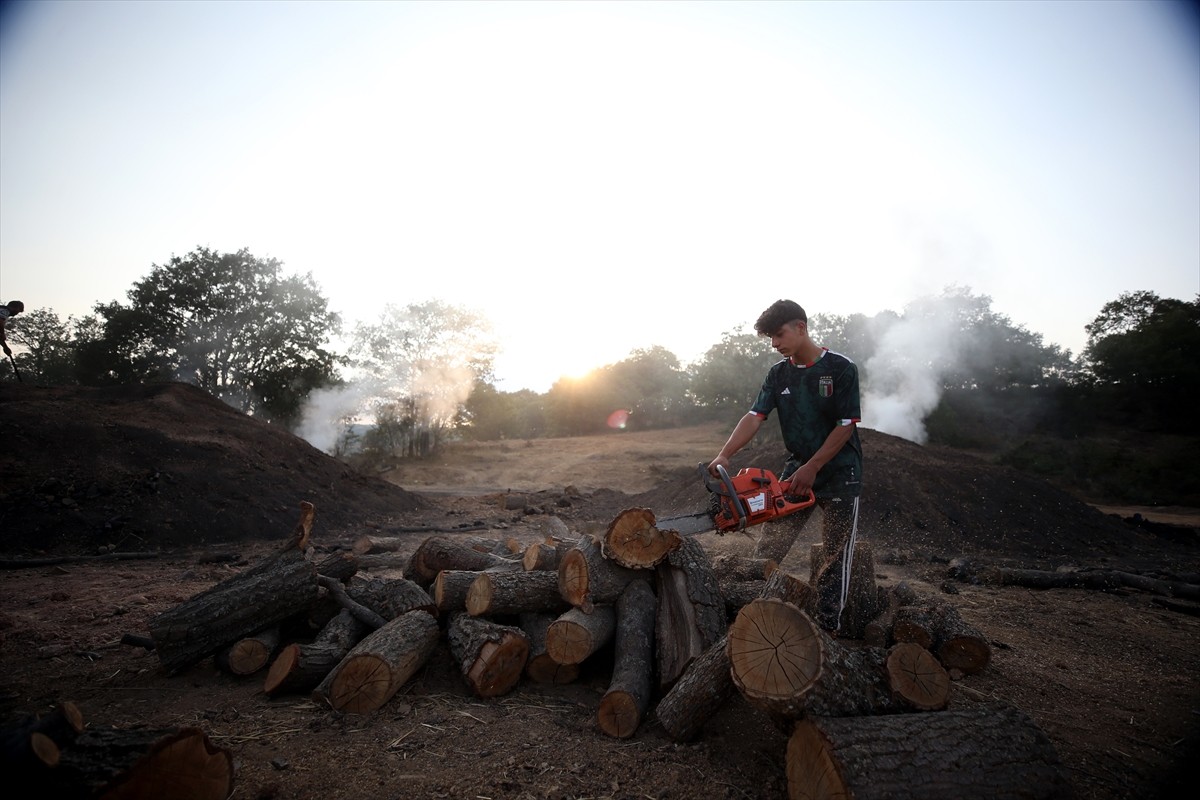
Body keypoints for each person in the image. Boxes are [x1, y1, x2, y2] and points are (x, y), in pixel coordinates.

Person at [707, 299, 862, 633]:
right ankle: (750, 615)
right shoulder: (778, 374)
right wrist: (725, 454)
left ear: (801, 328)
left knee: (835, 556)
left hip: (839, 472)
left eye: (779, 335)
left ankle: (826, 629)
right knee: (771, 543)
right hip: (795, 472)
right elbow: (754, 416)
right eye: (771, 339)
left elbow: (846, 424)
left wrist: (815, 466)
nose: (775, 344)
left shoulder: (841, 368)